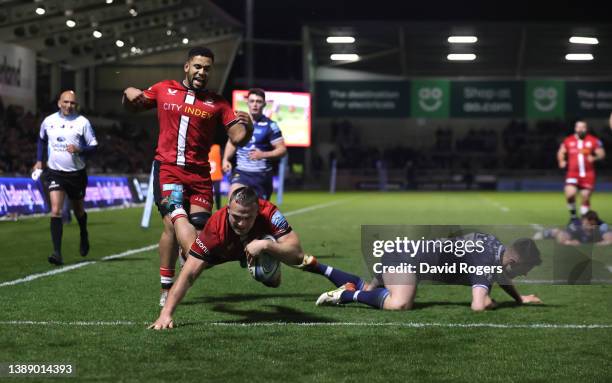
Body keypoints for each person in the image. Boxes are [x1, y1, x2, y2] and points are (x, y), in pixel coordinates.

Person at [122, 47, 253, 306]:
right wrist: (127, 93)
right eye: (198, 66)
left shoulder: (218, 102)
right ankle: (166, 287)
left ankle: (191, 257)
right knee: (173, 224)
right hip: (169, 169)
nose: (202, 72)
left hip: (200, 176)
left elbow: (237, 137)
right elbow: (133, 107)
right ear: (187, 67)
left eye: (207, 68)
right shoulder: (164, 88)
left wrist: (247, 127)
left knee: (201, 235)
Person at [149, 186, 325, 330]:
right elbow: (188, 274)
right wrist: (166, 313)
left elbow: (298, 256)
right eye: (236, 217)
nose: (241, 223)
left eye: (247, 218)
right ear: (227, 210)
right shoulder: (216, 228)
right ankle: (177, 210)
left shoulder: (270, 213)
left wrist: (267, 245)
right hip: (222, 251)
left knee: (271, 281)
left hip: (254, 245)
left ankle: (250, 252)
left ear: (258, 212)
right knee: (189, 255)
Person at [316, 233, 543, 312]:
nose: (524, 275)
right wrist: (489, 303)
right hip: (404, 259)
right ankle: (344, 295)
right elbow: (477, 305)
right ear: (513, 261)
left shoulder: (496, 249)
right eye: (525, 269)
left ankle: (319, 267)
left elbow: (501, 276)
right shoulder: (485, 259)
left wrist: (519, 298)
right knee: (400, 304)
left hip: (404, 252)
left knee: (368, 288)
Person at [33, 90, 98, 265]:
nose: (69, 105)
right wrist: (39, 160)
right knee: (56, 210)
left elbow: (94, 146)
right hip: (55, 172)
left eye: (72, 103)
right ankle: (57, 253)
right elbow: (41, 140)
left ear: (76, 105)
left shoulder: (82, 122)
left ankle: (83, 233)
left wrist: (79, 149)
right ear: (59, 103)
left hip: (76, 174)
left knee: (78, 210)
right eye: (66, 102)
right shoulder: (49, 121)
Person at [222, 88, 287, 200]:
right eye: (252, 101)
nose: (255, 104)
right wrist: (225, 159)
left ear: (264, 104)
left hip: (261, 176)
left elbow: (282, 150)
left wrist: (263, 155)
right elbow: (232, 142)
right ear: (247, 103)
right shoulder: (239, 123)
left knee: (259, 213)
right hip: (241, 173)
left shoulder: (270, 126)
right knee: (233, 203)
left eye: (258, 101)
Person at [557, 119, 605, 219]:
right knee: (570, 194)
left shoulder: (592, 140)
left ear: (586, 129)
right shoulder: (568, 140)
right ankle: (574, 216)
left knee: (585, 196)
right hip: (572, 174)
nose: (580, 129)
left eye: (583, 127)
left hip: (588, 174)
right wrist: (561, 161)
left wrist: (594, 157)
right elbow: (561, 152)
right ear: (575, 128)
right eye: (578, 127)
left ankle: (584, 219)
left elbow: (601, 153)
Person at [533, 210, 612, 246]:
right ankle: (544, 233)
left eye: (592, 224)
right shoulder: (576, 225)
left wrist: (602, 243)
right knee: (557, 232)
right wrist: (568, 242)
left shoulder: (601, 225)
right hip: (575, 236)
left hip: (588, 240)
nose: (590, 227)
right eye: (588, 223)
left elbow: (609, 238)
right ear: (583, 221)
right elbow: (562, 238)